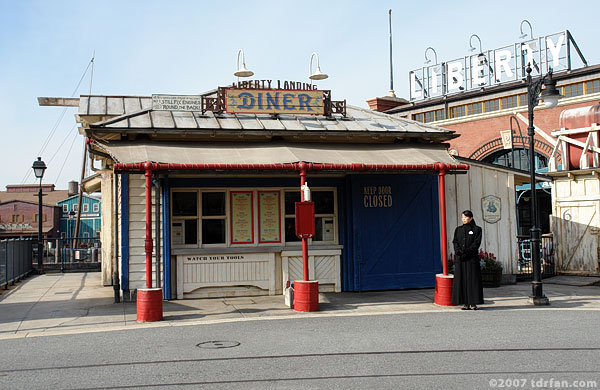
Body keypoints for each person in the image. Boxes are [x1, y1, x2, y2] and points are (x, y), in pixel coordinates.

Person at [451, 210, 484, 310]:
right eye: (462, 217)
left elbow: (476, 243)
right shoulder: (458, 229)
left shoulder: (477, 229)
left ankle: (473, 302)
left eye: (465, 217)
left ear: (471, 218)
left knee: (472, 280)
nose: (463, 219)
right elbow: (455, 241)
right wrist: (459, 252)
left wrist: (467, 251)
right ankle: (465, 303)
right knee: (462, 280)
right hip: (461, 259)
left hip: (471, 258)